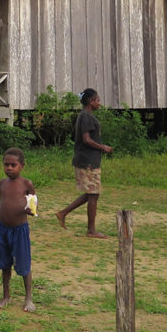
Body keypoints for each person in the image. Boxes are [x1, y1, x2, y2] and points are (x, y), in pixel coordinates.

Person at [0, 148, 37, 312]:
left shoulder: (27, 184)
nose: (9, 168)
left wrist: (30, 210)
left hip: (20, 230)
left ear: (22, 166)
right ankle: (6, 296)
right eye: (6, 164)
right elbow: (1, 206)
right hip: (3, 230)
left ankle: (28, 299)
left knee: (24, 264)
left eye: (13, 165)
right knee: (5, 264)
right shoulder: (2, 183)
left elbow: (33, 207)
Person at [55, 88, 112, 238]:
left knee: (92, 193)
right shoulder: (86, 116)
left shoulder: (85, 115)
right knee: (93, 194)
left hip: (89, 159)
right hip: (87, 161)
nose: (99, 103)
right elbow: (86, 139)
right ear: (91, 102)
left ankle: (63, 213)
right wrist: (103, 147)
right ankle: (91, 230)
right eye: (98, 100)